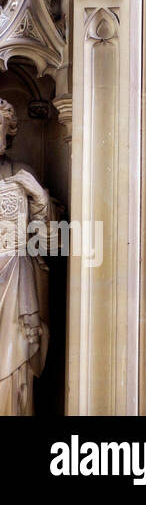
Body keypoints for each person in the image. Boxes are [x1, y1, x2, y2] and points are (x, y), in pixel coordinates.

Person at [0, 97, 48, 414]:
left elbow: (49, 242)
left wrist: (40, 199)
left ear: (9, 131)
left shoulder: (21, 173)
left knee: (12, 357)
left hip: (16, 279)